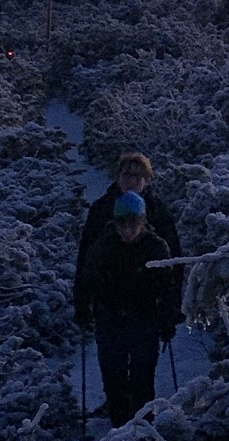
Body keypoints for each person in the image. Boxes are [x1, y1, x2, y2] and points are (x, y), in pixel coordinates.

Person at [73, 191, 182, 426]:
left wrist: (168, 318)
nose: (128, 229)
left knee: (143, 378)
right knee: (114, 379)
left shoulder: (156, 247)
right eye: (122, 223)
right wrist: (82, 308)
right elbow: (86, 280)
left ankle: (144, 429)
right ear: (115, 222)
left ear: (143, 221)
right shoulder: (102, 247)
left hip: (145, 320)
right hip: (110, 320)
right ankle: (119, 429)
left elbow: (168, 287)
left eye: (134, 223)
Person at [77, 151, 182, 283]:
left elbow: (174, 257)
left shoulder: (158, 211)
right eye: (127, 175)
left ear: (147, 180)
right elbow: (86, 254)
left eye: (138, 176)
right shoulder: (101, 208)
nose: (132, 181)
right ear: (118, 177)